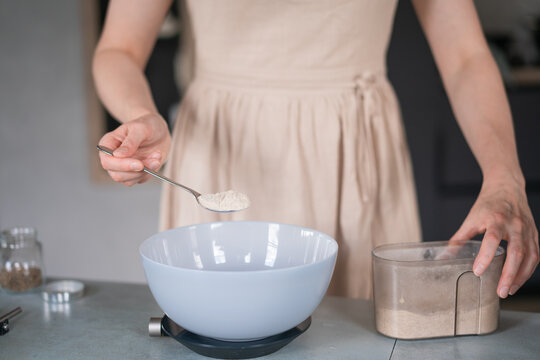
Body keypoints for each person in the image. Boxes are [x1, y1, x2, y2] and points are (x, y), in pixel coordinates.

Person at [94, 0, 539, 299]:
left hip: (353, 152)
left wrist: (505, 176)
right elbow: (119, 48)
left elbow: (464, 54)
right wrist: (140, 113)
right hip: (223, 153)